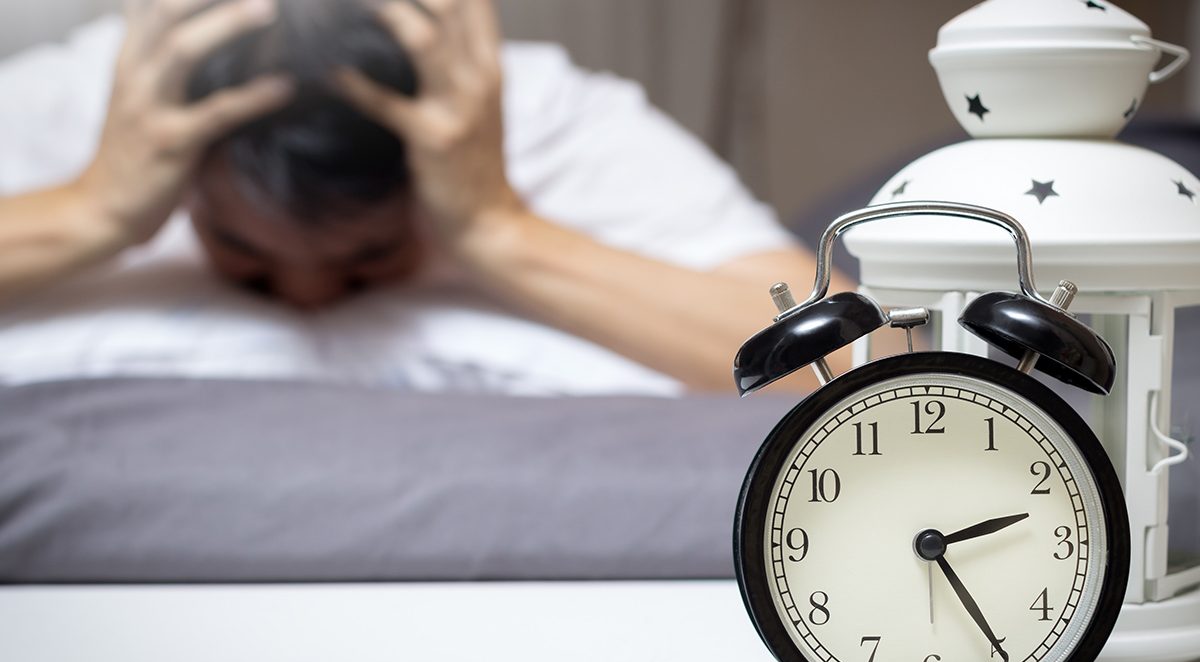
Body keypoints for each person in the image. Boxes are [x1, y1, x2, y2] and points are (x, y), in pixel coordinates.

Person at [0, 0, 853, 395]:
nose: (308, 295)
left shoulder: (536, 116)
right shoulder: (108, 102)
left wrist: (496, 226)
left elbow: (858, 357)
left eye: (371, 257)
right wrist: (91, 211)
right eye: (244, 255)